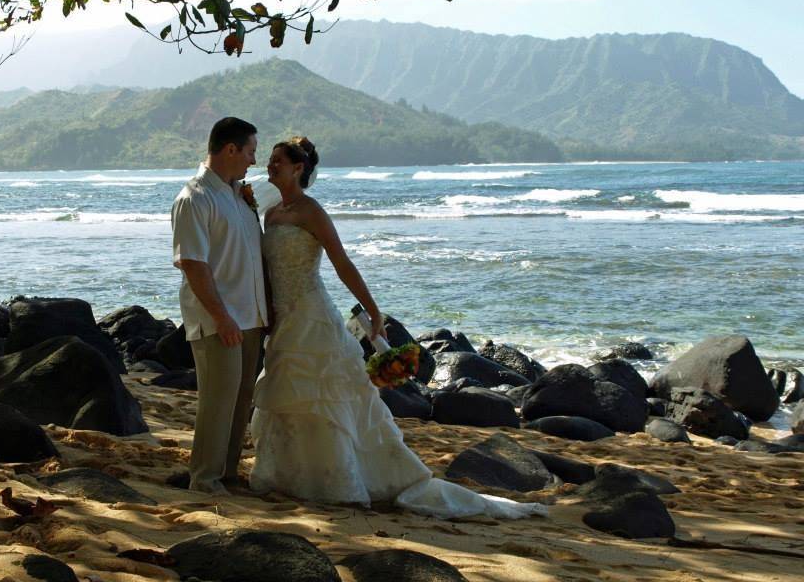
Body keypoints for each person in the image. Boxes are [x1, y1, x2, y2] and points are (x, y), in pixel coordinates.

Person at [249, 137, 547, 519]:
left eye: (277, 161)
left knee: (326, 399)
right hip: (284, 317)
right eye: (269, 161)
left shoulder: (312, 211)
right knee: (288, 395)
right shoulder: (271, 213)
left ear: (298, 168)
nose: (270, 167)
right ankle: (293, 476)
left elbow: (342, 263)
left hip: (311, 312)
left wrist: (373, 309)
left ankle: (337, 480)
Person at [171, 117, 267, 495]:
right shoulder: (195, 198)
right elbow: (193, 264)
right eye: (250, 152)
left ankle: (227, 474)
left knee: (241, 401)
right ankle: (205, 479)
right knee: (217, 401)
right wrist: (221, 316)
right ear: (230, 150)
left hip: (251, 316)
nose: (253, 161)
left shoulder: (238, 195)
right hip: (219, 319)